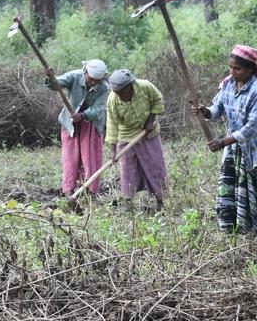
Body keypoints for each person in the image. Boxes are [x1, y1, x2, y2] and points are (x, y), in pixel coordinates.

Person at [193, 45, 257, 239]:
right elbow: (217, 109)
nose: (232, 72)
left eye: (237, 69)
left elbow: (251, 128)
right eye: (230, 67)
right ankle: (234, 233)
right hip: (233, 150)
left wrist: (223, 141)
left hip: (256, 153)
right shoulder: (228, 85)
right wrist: (205, 111)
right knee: (229, 193)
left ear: (250, 69)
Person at [44, 59, 110, 196]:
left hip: (91, 124)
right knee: (70, 158)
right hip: (71, 124)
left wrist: (83, 115)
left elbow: (99, 108)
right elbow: (56, 84)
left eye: (96, 81)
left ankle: (89, 192)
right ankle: (69, 191)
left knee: (89, 158)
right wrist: (50, 78)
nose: (93, 83)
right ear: (85, 72)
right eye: (91, 79)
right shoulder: (74, 76)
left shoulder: (104, 87)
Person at [105, 69, 167, 211]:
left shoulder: (145, 86)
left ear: (130, 86)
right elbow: (112, 124)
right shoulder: (113, 100)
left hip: (148, 134)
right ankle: (128, 203)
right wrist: (112, 150)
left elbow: (158, 100)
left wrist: (151, 120)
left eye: (123, 92)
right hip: (126, 136)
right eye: (118, 93)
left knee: (155, 166)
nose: (121, 96)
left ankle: (160, 201)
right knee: (127, 170)